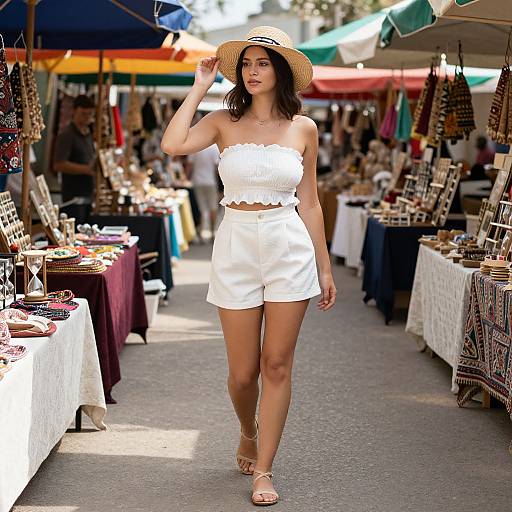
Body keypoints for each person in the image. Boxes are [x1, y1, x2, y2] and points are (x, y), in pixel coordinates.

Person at [161, 26, 336, 506]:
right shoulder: (221, 121)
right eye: (247, 64)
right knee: (242, 374)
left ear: (280, 70)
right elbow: (172, 145)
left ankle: (265, 470)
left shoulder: (304, 128)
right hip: (235, 244)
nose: (253, 71)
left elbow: (312, 202)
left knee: (276, 364)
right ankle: (247, 428)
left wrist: (324, 267)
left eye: (262, 63)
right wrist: (199, 87)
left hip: (288, 246)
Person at [53, 95, 96, 224]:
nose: (86, 117)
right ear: (74, 111)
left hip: (87, 195)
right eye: (83, 114)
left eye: (89, 114)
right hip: (73, 197)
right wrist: (86, 169)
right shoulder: (67, 134)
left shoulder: (87, 133)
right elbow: (58, 164)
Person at [185, 143, 220, 241]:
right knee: (213, 207)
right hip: (210, 181)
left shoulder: (194, 146)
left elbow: (189, 165)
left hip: (197, 181)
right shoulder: (214, 148)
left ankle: (201, 233)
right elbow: (217, 167)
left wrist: (185, 178)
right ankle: (213, 232)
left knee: (201, 208)